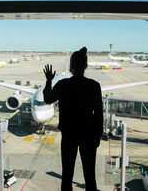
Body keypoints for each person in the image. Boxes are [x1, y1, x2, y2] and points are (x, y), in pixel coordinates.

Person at [43, 47, 103, 191]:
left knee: (67, 176)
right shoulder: (94, 86)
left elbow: (47, 99)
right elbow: (99, 115)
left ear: (71, 67)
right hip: (88, 135)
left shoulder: (63, 85)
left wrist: (48, 81)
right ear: (85, 66)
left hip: (69, 135)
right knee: (90, 177)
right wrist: (97, 137)